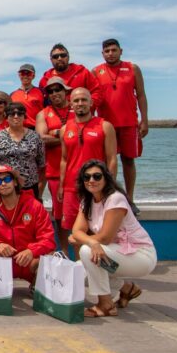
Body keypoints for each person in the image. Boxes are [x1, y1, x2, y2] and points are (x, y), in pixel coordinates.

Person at [70, 160, 157, 318]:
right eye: (86, 177)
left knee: (87, 251)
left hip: (141, 255)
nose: (91, 180)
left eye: (97, 176)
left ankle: (106, 305)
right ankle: (127, 288)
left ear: (106, 178)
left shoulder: (115, 199)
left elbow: (105, 237)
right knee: (78, 271)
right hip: (116, 253)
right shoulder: (87, 201)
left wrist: (87, 241)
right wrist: (88, 240)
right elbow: (76, 231)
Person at [0, 165, 55, 288]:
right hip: (2, 260)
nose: (3, 184)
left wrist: (31, 251)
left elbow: (48, 239)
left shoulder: (34, 205)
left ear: (15, 182)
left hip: (28, 261)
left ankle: (37, 286)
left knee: (50, 255)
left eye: (7, 179)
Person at [59, 88, 117, 244]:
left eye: (84, 100)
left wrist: (110, 185)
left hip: (96, 186)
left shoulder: (105, 126)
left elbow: (112, 158)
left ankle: (95, 267)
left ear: (91, 103)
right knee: (76, 233)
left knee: (96, 229)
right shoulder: (64, 129)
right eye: (76, 100)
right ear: (71, 104)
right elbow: (64, 159)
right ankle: (80, 266)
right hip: (72, 188)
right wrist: (61, 186)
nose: (80, 103)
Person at [94, 38, 149, 200]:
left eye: (113, 50)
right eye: (107, 51)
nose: (110, 54)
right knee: (106, 161)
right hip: (106, 125)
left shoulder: (132, 68)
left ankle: (129, 198)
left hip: (129, 123)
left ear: (120, 51)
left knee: (128, 160)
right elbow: (93, 97)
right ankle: (107, 196)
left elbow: (141, 94)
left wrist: (144, 120)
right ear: (102, 53)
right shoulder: (96, 71)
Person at [34, 76, 74, 251]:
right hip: (55, 171)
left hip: (82, 171)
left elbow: (87, 131)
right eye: (50, 91)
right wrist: (69, 136)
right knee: (60, 215)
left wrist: (56, 132)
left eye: (58, 89)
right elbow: (41, 138)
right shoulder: (43, 113)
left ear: (66, 91)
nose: (54, 93)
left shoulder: (77, 108)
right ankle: (65, 252)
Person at [0, 102, 45, 198]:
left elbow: (41, 164)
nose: (16, 116)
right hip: (5, 186)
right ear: (6, 116)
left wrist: (40, 187)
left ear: (24, 116)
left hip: (30, 186)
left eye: (19, 114)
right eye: (12, 114)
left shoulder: (35, 137)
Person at [10, 64, 43, 129]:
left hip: (36, 128)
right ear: (19, 75)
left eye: (28, 74)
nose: (25, 76)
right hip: (17, 128)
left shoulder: (42, 92)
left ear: (33, 76)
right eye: (22, 74)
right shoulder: (12, 95)